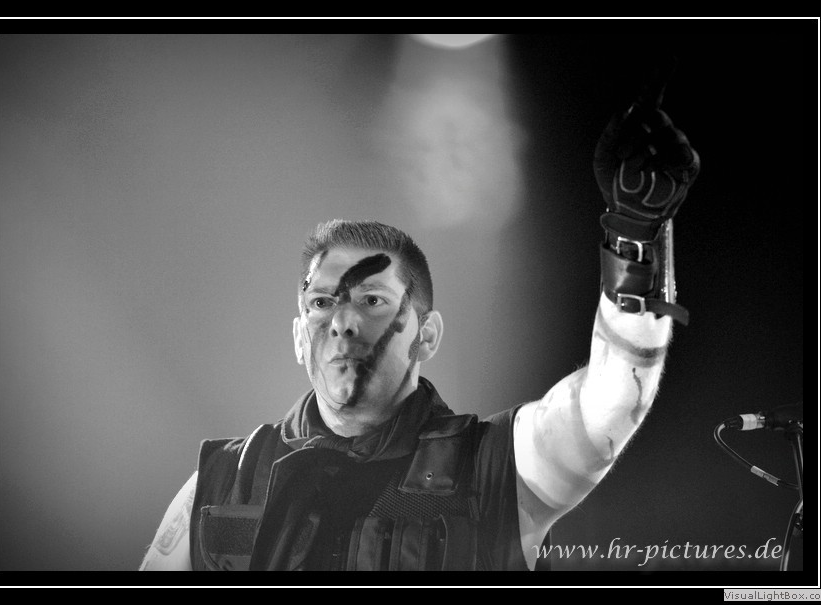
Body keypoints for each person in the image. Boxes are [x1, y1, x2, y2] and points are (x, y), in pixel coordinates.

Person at [139, 66, 700, 572]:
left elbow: (608, 406)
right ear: (297, 337)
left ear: (426, 335)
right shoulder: (220, 482)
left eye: (372, 301)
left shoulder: (496, 470)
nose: (342, 322)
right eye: (321, 303)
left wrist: (634, 237)